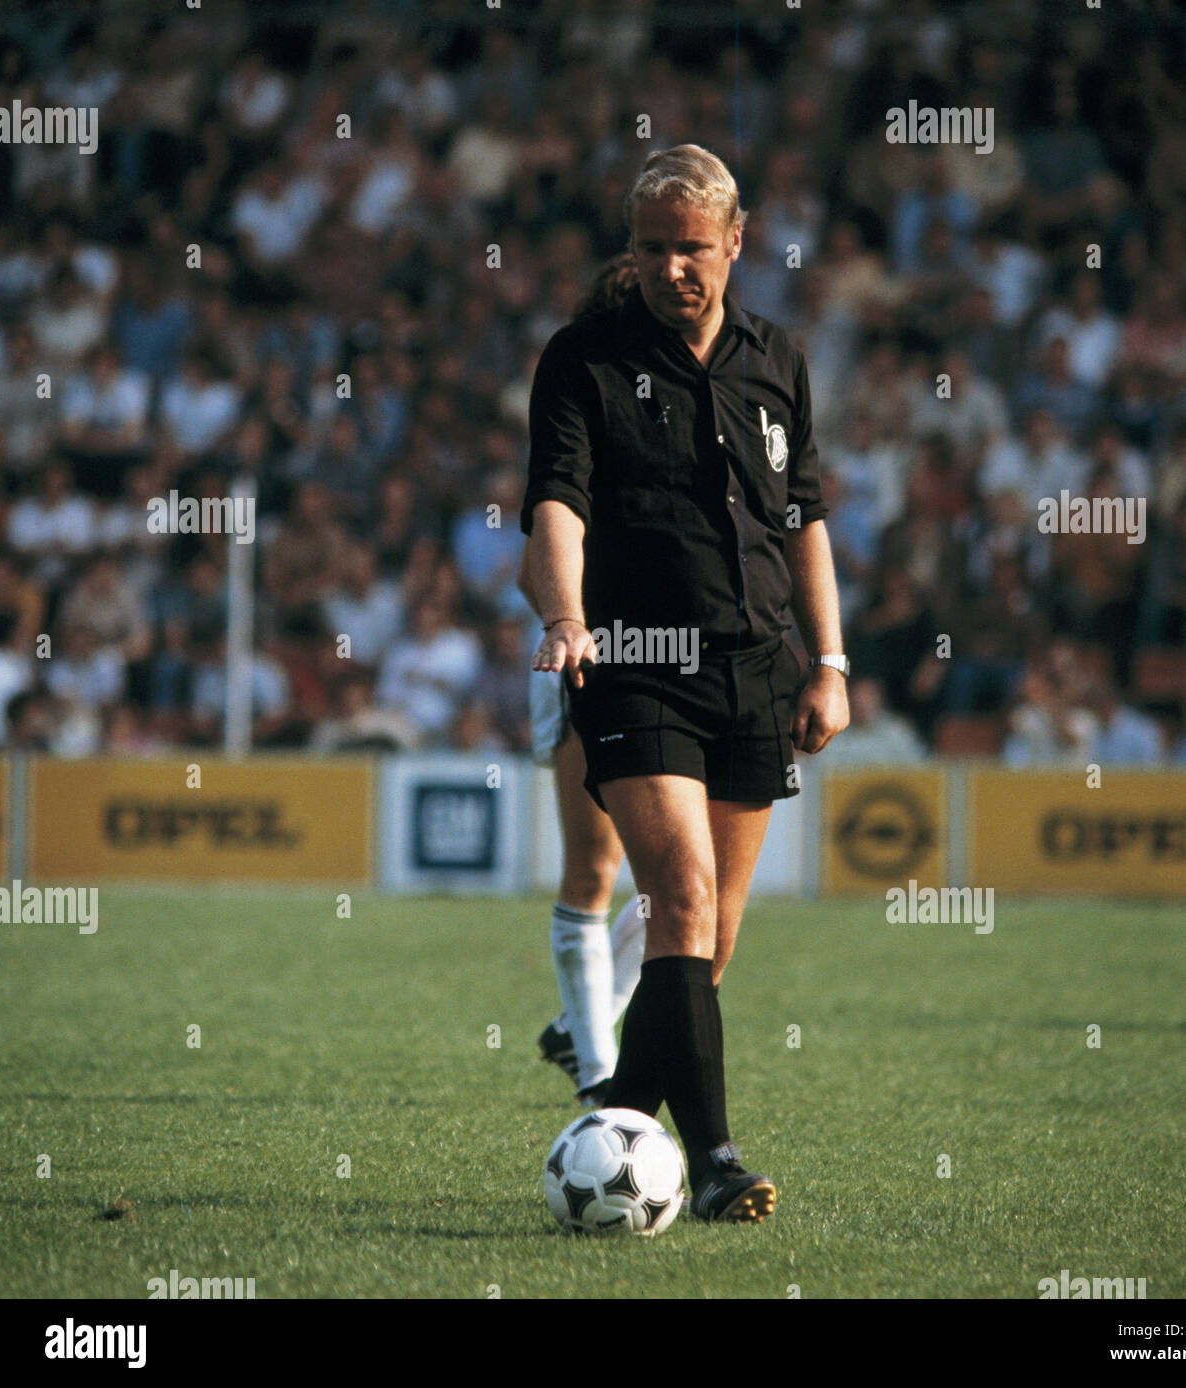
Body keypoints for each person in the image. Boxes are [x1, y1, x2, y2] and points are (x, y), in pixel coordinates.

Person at [522, 145, 849, 1223]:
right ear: (633, 248)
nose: (673, 268)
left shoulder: (778, 361)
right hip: (631, 663)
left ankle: (616, 1110)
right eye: (653, 247)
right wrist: (566, 617)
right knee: (684, 899)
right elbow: (554, 507)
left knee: (712, 938)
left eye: (692, 247)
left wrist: (830, 661)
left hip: (756, 670)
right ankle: (711, 1157)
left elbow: (803, 522)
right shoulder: (583, 359)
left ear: (736, 240)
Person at [517, 253, 647, 1111]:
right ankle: (600, 1085)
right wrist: (576, 621)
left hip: (686, 662)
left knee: (691, 881)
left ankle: (582, 1020)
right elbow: (533, 565)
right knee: (594, 871)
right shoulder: (583, 408)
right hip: (592, 661)